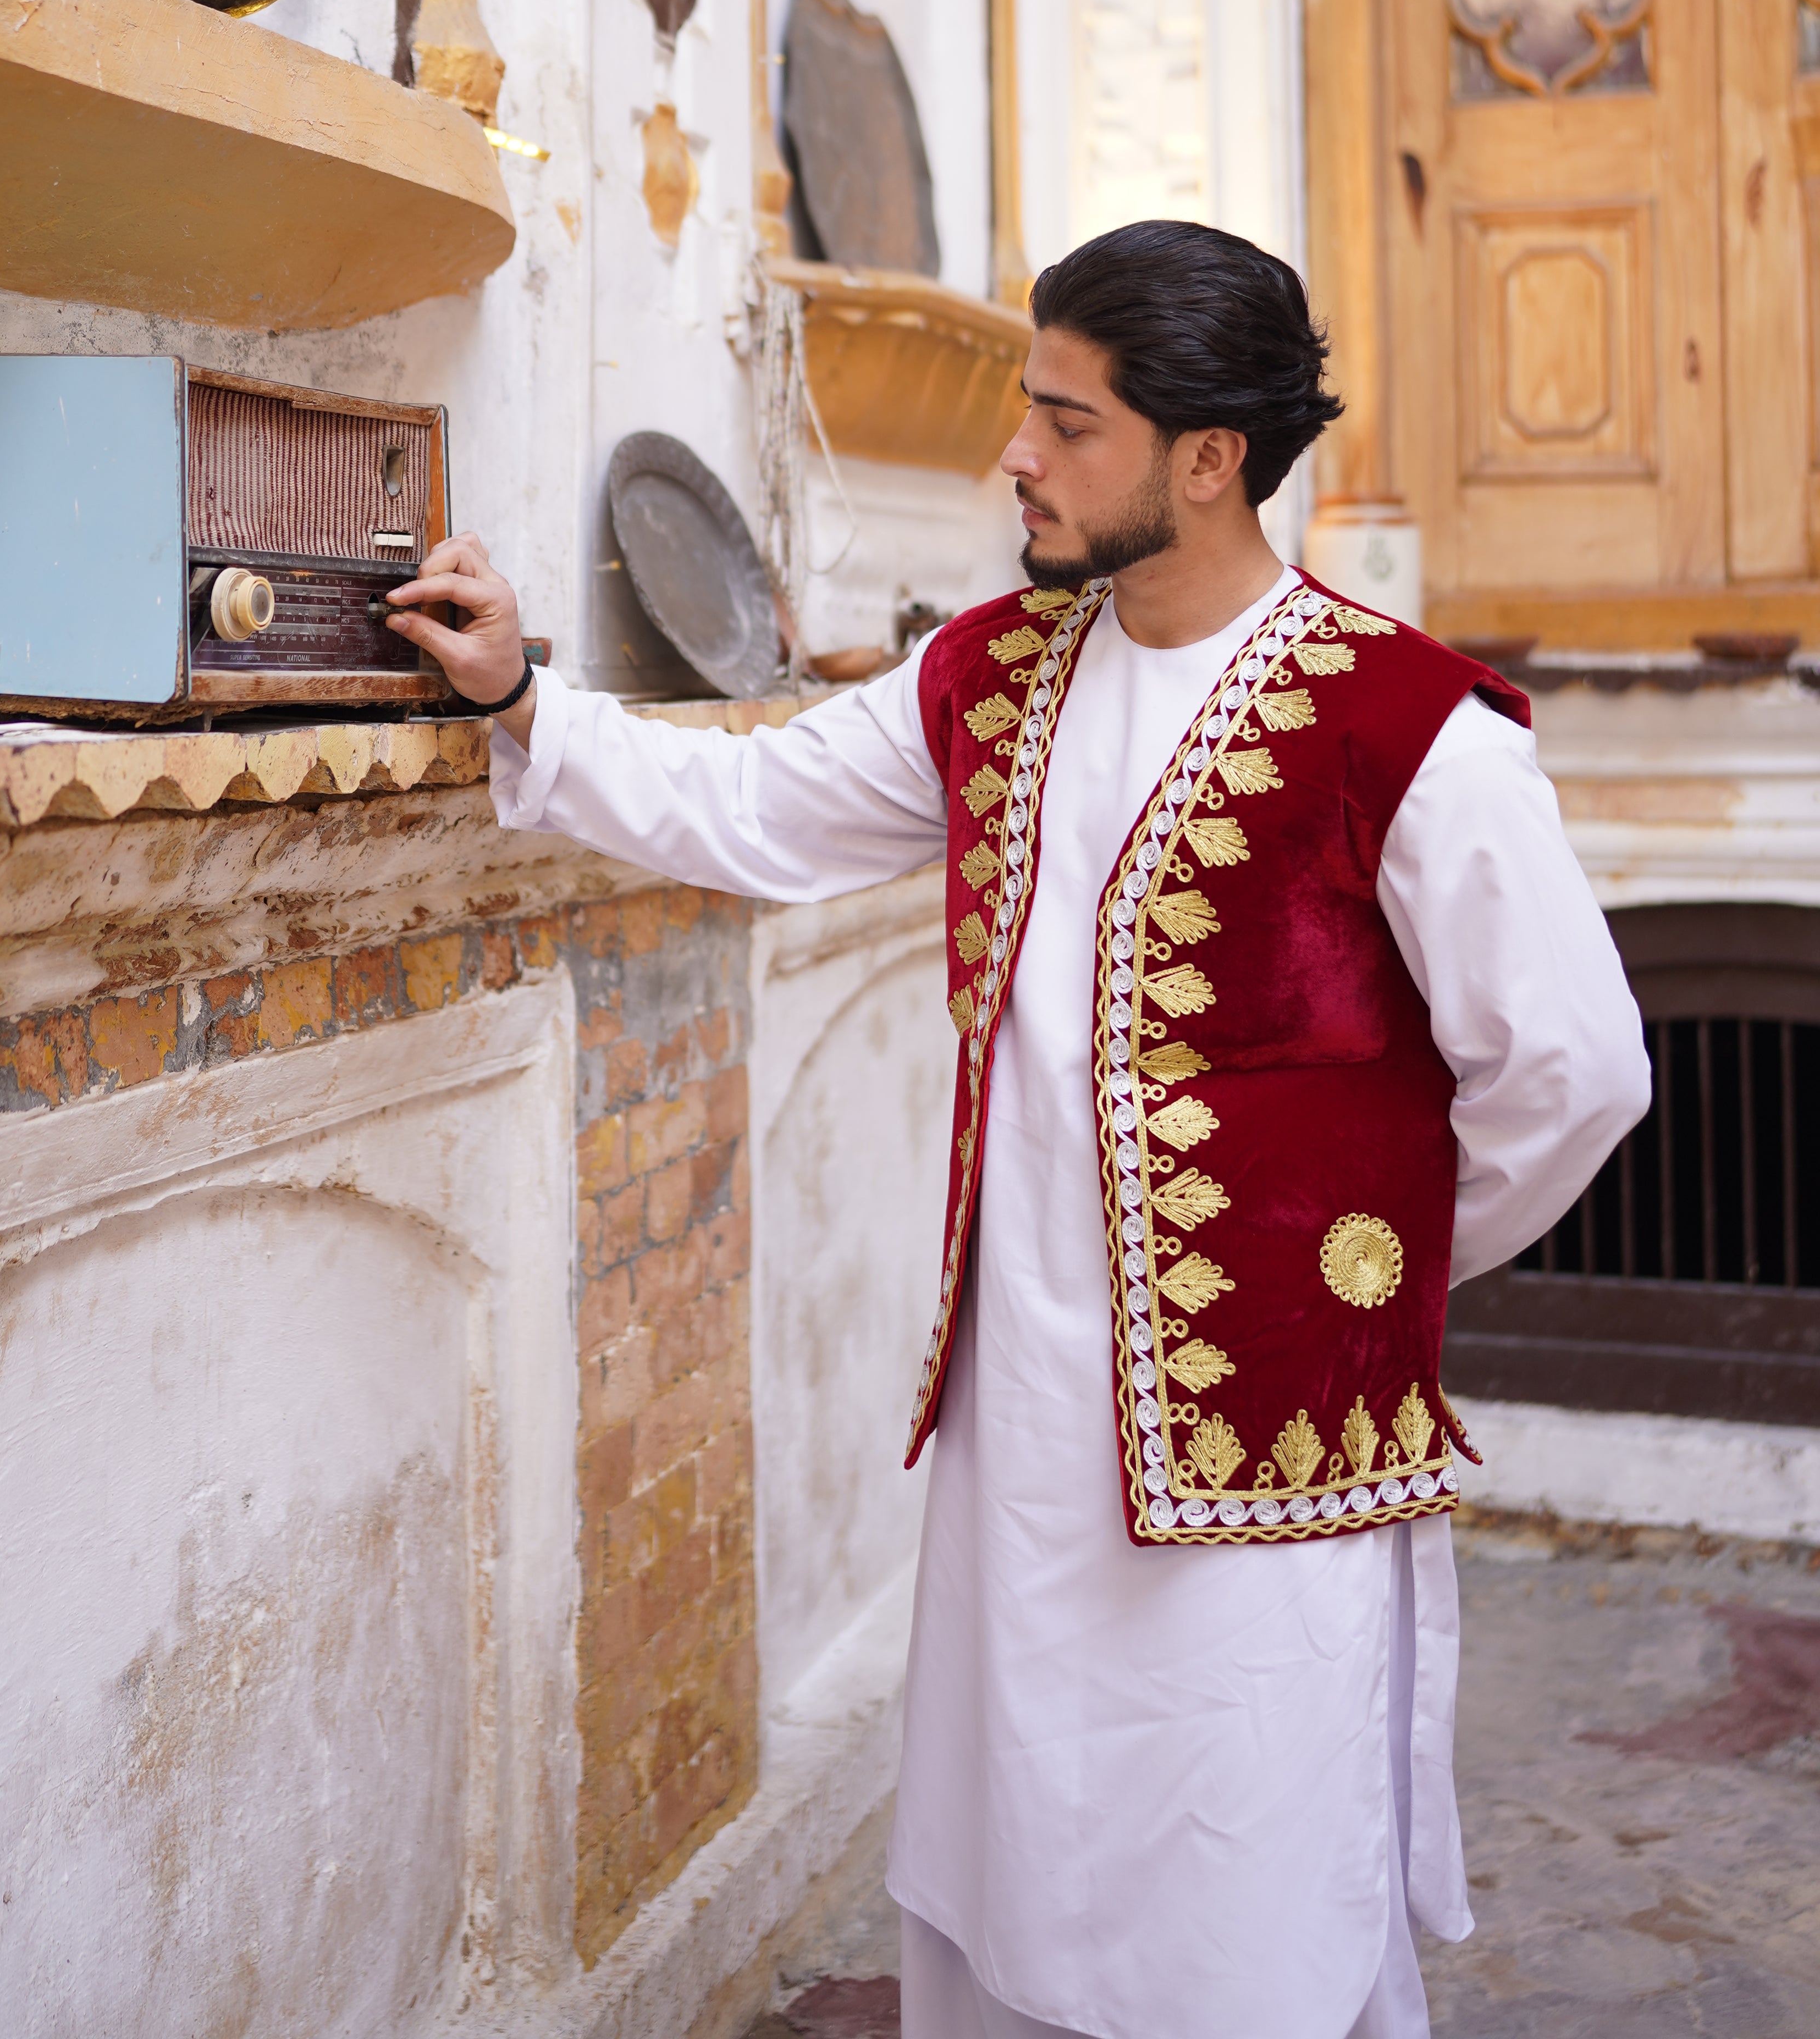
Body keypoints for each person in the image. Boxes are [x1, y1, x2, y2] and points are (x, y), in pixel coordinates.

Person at [384, 219, 1651, 2039]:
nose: (1017, 457)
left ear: (1207, 461)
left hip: (1269, 1447)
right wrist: (525, 698)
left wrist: (1359, 1262)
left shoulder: (1410, 728)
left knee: (1246, 1876)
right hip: (1021, 1436)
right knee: (1017, 1859)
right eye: (1024, 411)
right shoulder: (995, 677)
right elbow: (759, 812)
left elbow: (1577, 1067)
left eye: (1069, 423)